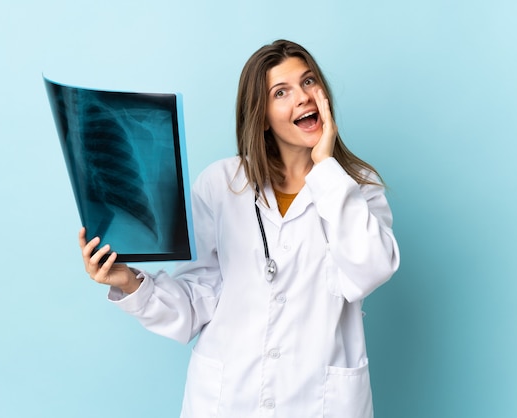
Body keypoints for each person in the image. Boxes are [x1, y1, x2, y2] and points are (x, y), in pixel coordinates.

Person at [79, 39, 400, 418]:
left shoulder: (357, 186)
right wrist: (129, 281)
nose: (303, 98)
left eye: (309, 82)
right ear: (262, 116)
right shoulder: (221, 183)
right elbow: (199, 299)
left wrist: (326, 168)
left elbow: (371, 270)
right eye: (282, 92)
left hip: (319, 402)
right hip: (228, 399)